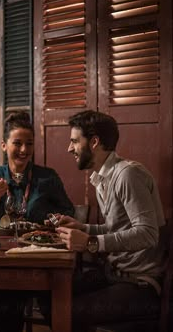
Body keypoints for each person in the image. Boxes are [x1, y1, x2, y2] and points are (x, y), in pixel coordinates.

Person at [52, 109, 166, 331]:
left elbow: (148, 233)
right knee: (51, 294)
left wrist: (90, 242)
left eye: (74, 141)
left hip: (139, 283)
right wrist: (83, 227)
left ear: (94, 142)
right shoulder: (103, 178)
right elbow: (118, 228)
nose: (69, 148)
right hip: (113, 273)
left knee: (63, 309)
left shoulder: (127, 175)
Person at [0, 110, 74, 332]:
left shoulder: (47, 176)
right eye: (17, 143)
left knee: (6, 290)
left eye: (29, 144)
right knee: (3, 288)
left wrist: (53, 219)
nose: (24, 150)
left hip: (39, 254)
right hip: (6, 254)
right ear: (4, 146)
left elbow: (69, 212)